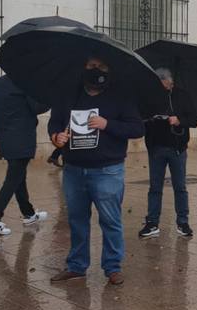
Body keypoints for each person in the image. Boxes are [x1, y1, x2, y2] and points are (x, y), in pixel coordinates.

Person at [48, 58, 144, 285]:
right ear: (83, 67)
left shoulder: (121, 95)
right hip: (73, 170)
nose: (96, 71)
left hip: (107, 171)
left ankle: (112, 267)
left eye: (102, 67)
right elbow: (54, 123)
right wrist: (56, 138)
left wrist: (106, 124)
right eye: (91, 66)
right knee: (76, 220)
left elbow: (137, 128)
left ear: (109, 70)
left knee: (110, 221)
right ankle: (76, 266)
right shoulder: (67, 94)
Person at [0, 74, 48, 235]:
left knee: (19, 176)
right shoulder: (25, 81)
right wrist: (50, 97)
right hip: (22, 138)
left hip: (6, 137)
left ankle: (29, 214)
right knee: (13, 180)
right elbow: (37, 107)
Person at [140, 68, 197, 240]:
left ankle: (183, 222)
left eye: (166, 85)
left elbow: (194, 119)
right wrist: (152, 120)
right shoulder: (150, 96)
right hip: (156, 148)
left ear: (171, 82)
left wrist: (179, 120)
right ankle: (152, 223)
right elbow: (140, 118)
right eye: (161, 86)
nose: (164, 89)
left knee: (180, 187)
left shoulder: (183, 95)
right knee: (155, 188)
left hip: (177, 148)